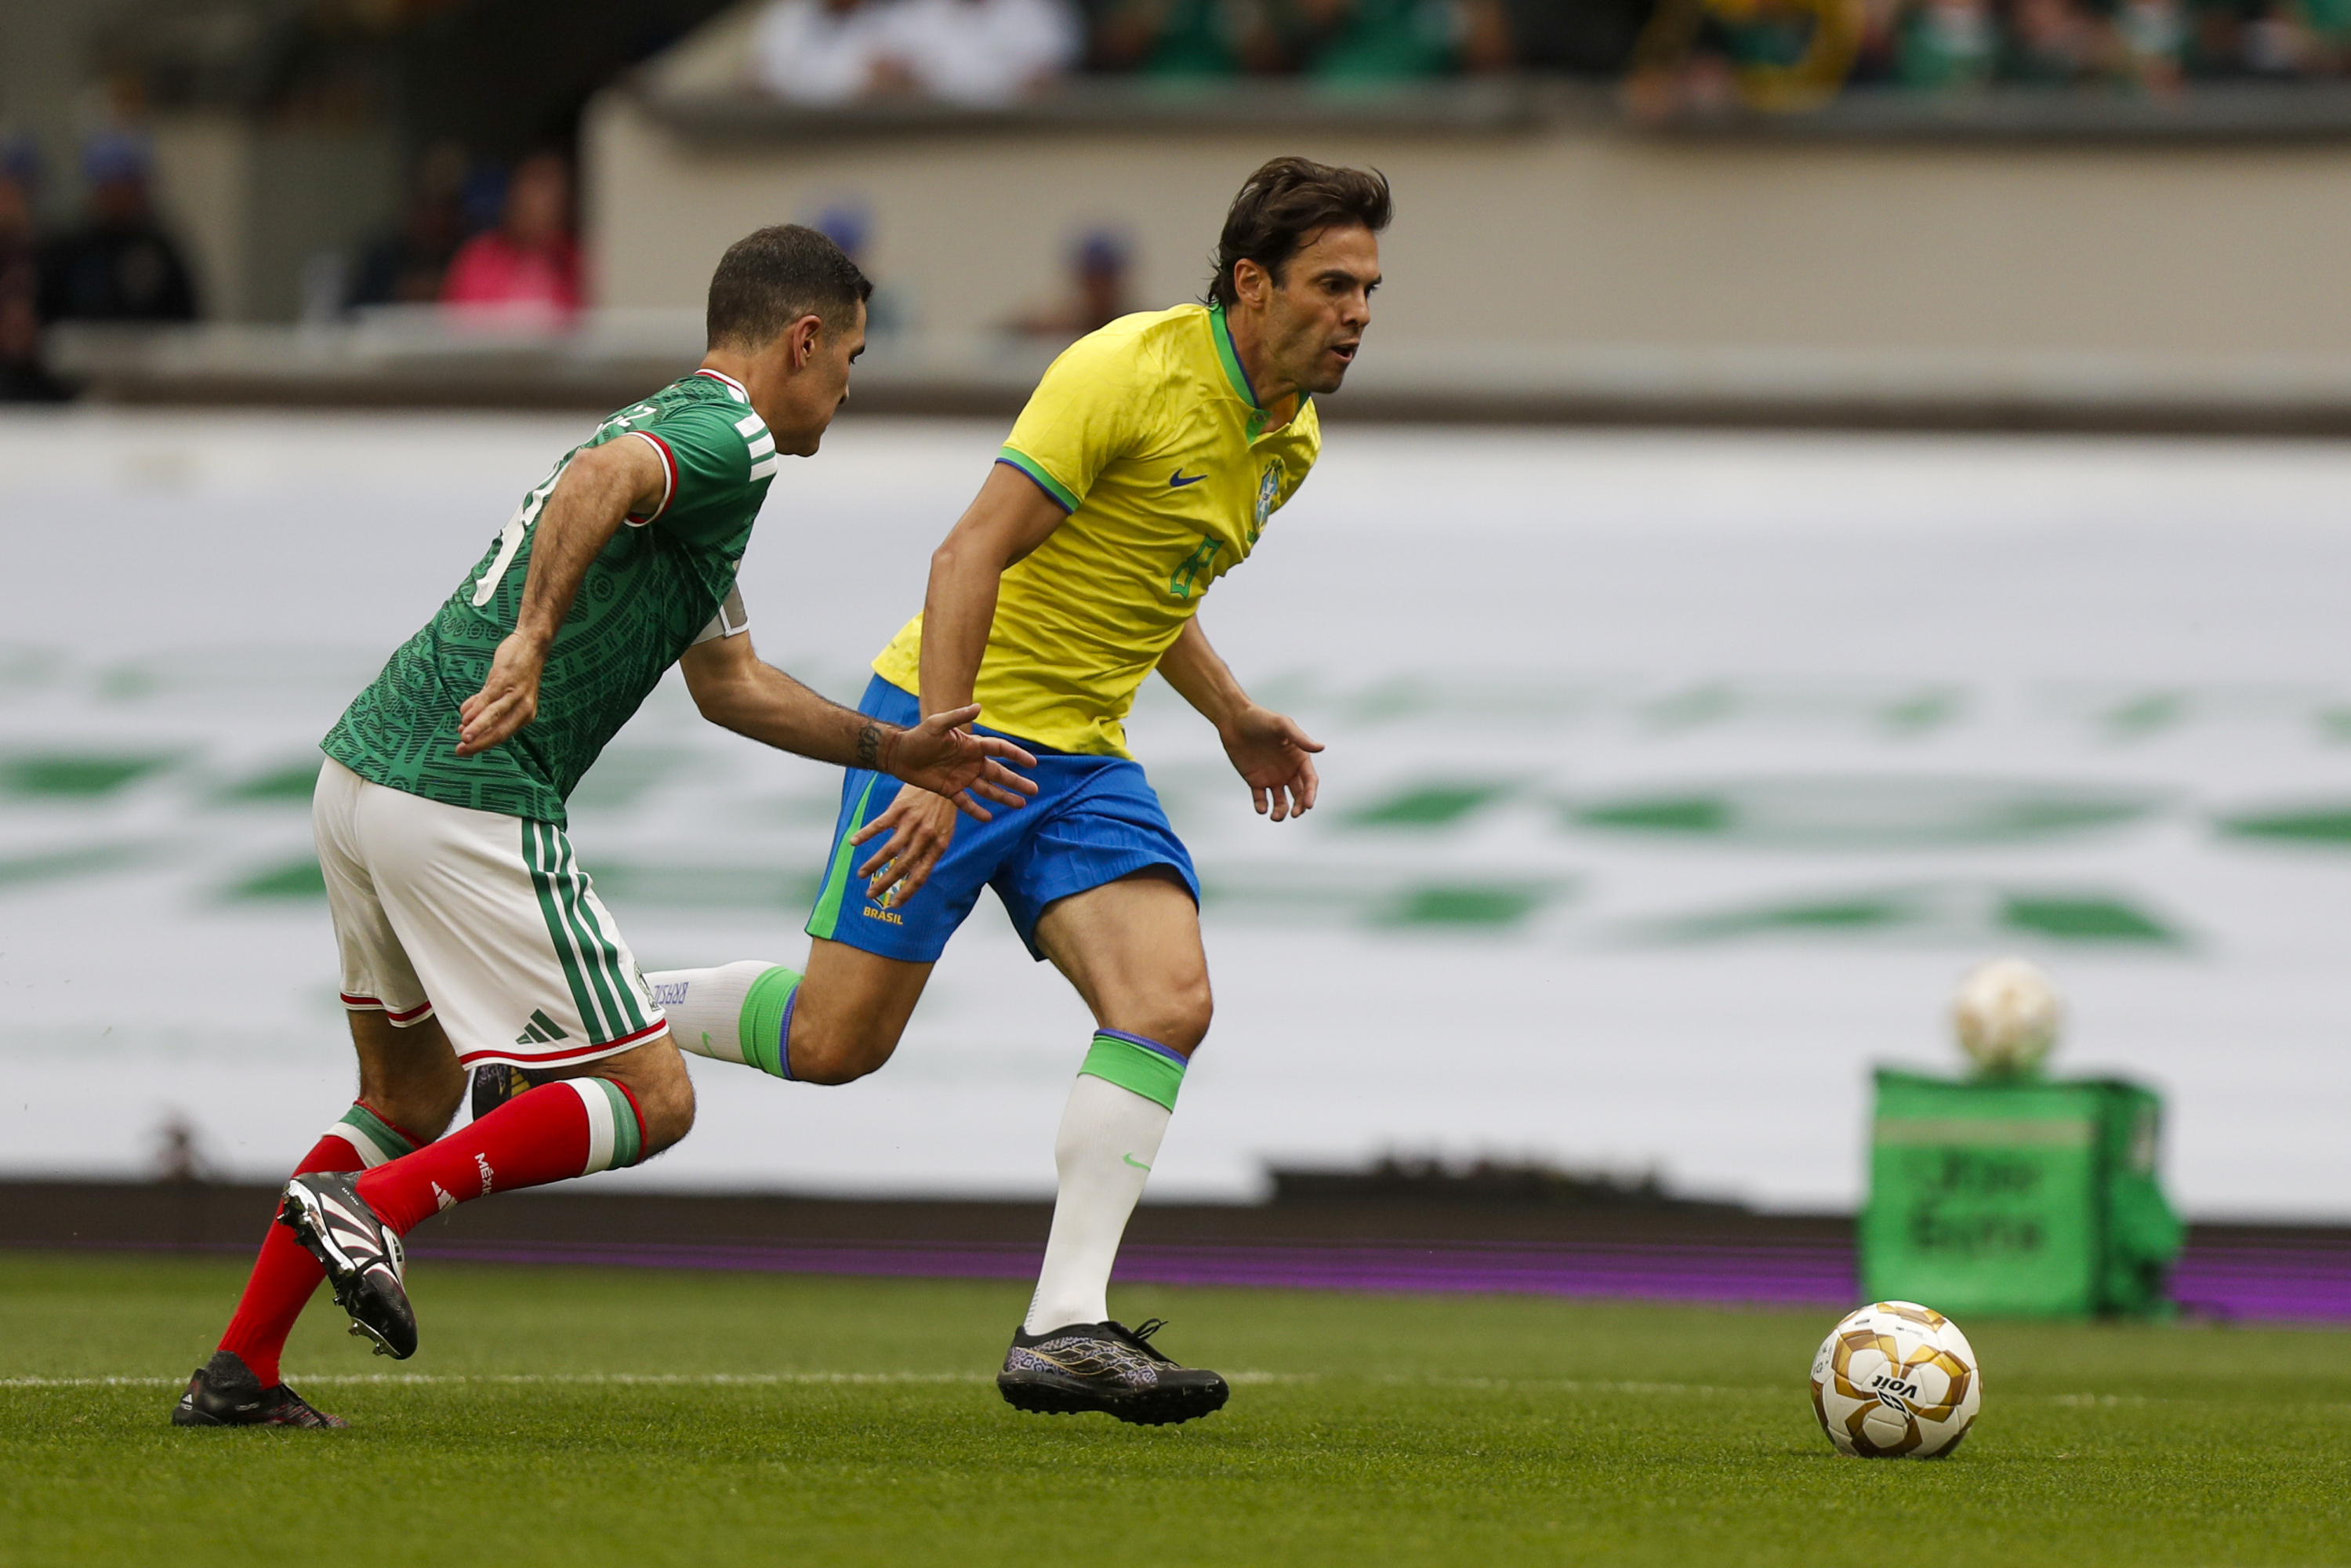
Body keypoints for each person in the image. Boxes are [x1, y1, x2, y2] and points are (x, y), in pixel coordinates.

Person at [170, 225, 1036, 1428]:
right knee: (655, 1097)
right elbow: (604, 477)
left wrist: (892, 751)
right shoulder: (722, 432)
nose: (849, 382)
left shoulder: (705, 472)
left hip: (361, 777)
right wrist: (529, 641)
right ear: (799, 340)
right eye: (848, 354)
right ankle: (384, 1212)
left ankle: (240, 1374)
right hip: (465, 790)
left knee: (405, 1098)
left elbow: (728, 683)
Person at [608, 157, 1388, 1425]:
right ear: (1251, 285)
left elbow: (1151, 588)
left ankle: (1063, 1325)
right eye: (1329, 285)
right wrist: (928, 747)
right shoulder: (1126, 372)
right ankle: (586, 1006)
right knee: (831, 1042)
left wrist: (1231, 710)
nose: (1355, 313)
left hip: (1080, 762)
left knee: (1167, 1000)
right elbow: (966, 551)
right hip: (956, 727)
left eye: (1366, 289)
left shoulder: (1284, 436)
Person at [35, 131, 198, 327]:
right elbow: (45, 316)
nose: (118, 197)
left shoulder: (160, 251)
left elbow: (188, 321)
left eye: (125, 186)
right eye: (110, 187)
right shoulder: (68, 250)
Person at [439, 152, 581, 325]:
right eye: (526, 183)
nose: (531, 198)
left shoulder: (574, 262)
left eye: (545, 186)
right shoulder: (478, 258)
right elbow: (459, 330)